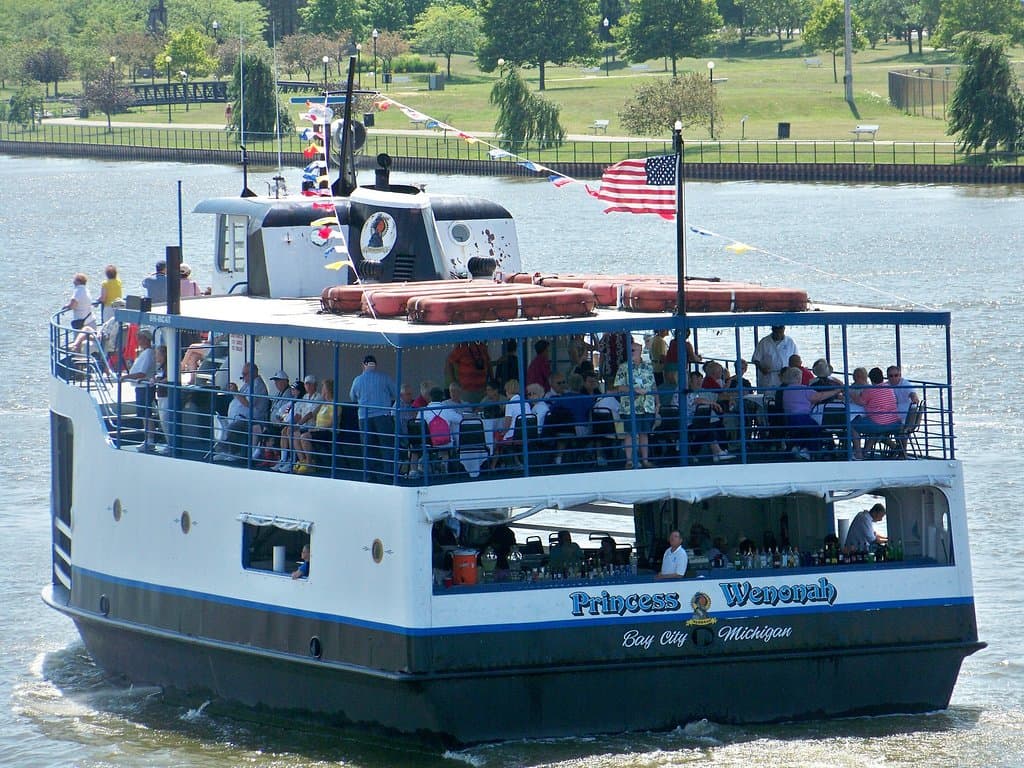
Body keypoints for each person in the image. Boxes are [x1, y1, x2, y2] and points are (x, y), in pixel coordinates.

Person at [779, 366, 842, 459]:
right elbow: (819, 396)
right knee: (817, 429)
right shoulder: (802, 389)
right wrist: (835, 391)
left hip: (789, 419)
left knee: (802, 431)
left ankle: (797, 446)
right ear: (798, 377)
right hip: (801, 418)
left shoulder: (786, 390)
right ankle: (809, 451)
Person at [349, 354, 398, 475]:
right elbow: (396, 393)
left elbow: (352, 397)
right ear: (376, 365)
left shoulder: (357, 380)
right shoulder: (384, 378)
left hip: (364, 417)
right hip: (383, 415)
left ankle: (369, 475)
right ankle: (389, 474)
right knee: (387, 445)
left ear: (363, 365)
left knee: (367, 446)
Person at [615, 341, 658, 468]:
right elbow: (619, 387)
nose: (631, 353)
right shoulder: (623, 367)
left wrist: (658, 403)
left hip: (647, 405)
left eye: (633, 350)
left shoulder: (648, 367)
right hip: (630, 407)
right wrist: (634, 390)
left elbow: (653, 386)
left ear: (640, 352)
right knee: (630, 433)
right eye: (629, 350)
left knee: (644, 433)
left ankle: (645, 460)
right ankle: (629, 461)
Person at [849, 367, 901, 459]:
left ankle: (858, 453)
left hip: (879, 423)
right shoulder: (889, 387)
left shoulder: (870, 390)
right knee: (874, 428)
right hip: (894, 422)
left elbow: (860, 402)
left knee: (853, 425)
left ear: (871, 379)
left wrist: (850, 393)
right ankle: (866, 452)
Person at [296, 379, 335, 474]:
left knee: (304, 436)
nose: (322, 391)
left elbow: (333, 422)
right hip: (317, 429)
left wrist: (317, 428)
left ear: (328, 390)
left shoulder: (335, 404)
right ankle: (303, 461)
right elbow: (313, 415)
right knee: (295, 433)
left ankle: (310, 464)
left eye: (323, 388)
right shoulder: (323, 403)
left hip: (327, 431)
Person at [752, 325, 798, 393]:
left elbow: (796, 358)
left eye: (780, 332)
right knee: (767, 397)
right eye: (776, 332)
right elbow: (756, 359)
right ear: (772, 330)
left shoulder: (790, 342)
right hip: (768, 378)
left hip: (785, 378)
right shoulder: (764, 342)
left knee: (784, 396)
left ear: (784, 329)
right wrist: (762, 369)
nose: (778, 335)